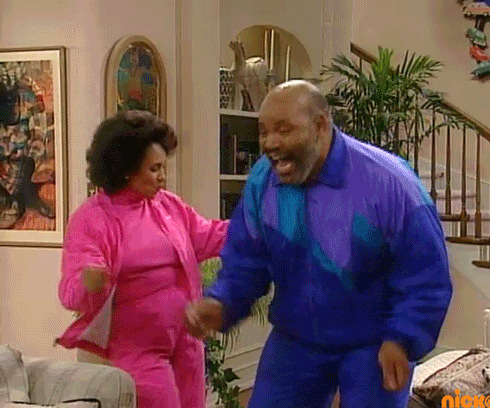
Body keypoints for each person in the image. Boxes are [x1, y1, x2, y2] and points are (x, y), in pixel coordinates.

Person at [184, 80, 453, 408]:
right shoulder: (262, 181)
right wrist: (221, 302)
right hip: (296, 338)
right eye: (264, 132)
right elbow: (246, 258)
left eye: (284, 130)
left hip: (375, 341)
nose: (270, 143)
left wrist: (403, 338)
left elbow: (426, 275)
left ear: (321, 125)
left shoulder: (390, 182)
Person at [55, 110, 229, 408]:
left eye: (163, 167)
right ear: (127, 169)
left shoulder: (168, 205)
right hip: (137, 350)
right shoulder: (93, 218)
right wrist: (90, 281)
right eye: (154, 169)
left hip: (186, 339)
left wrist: (255, 227)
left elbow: (207, 235)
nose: (163, 177)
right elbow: (72, 288)